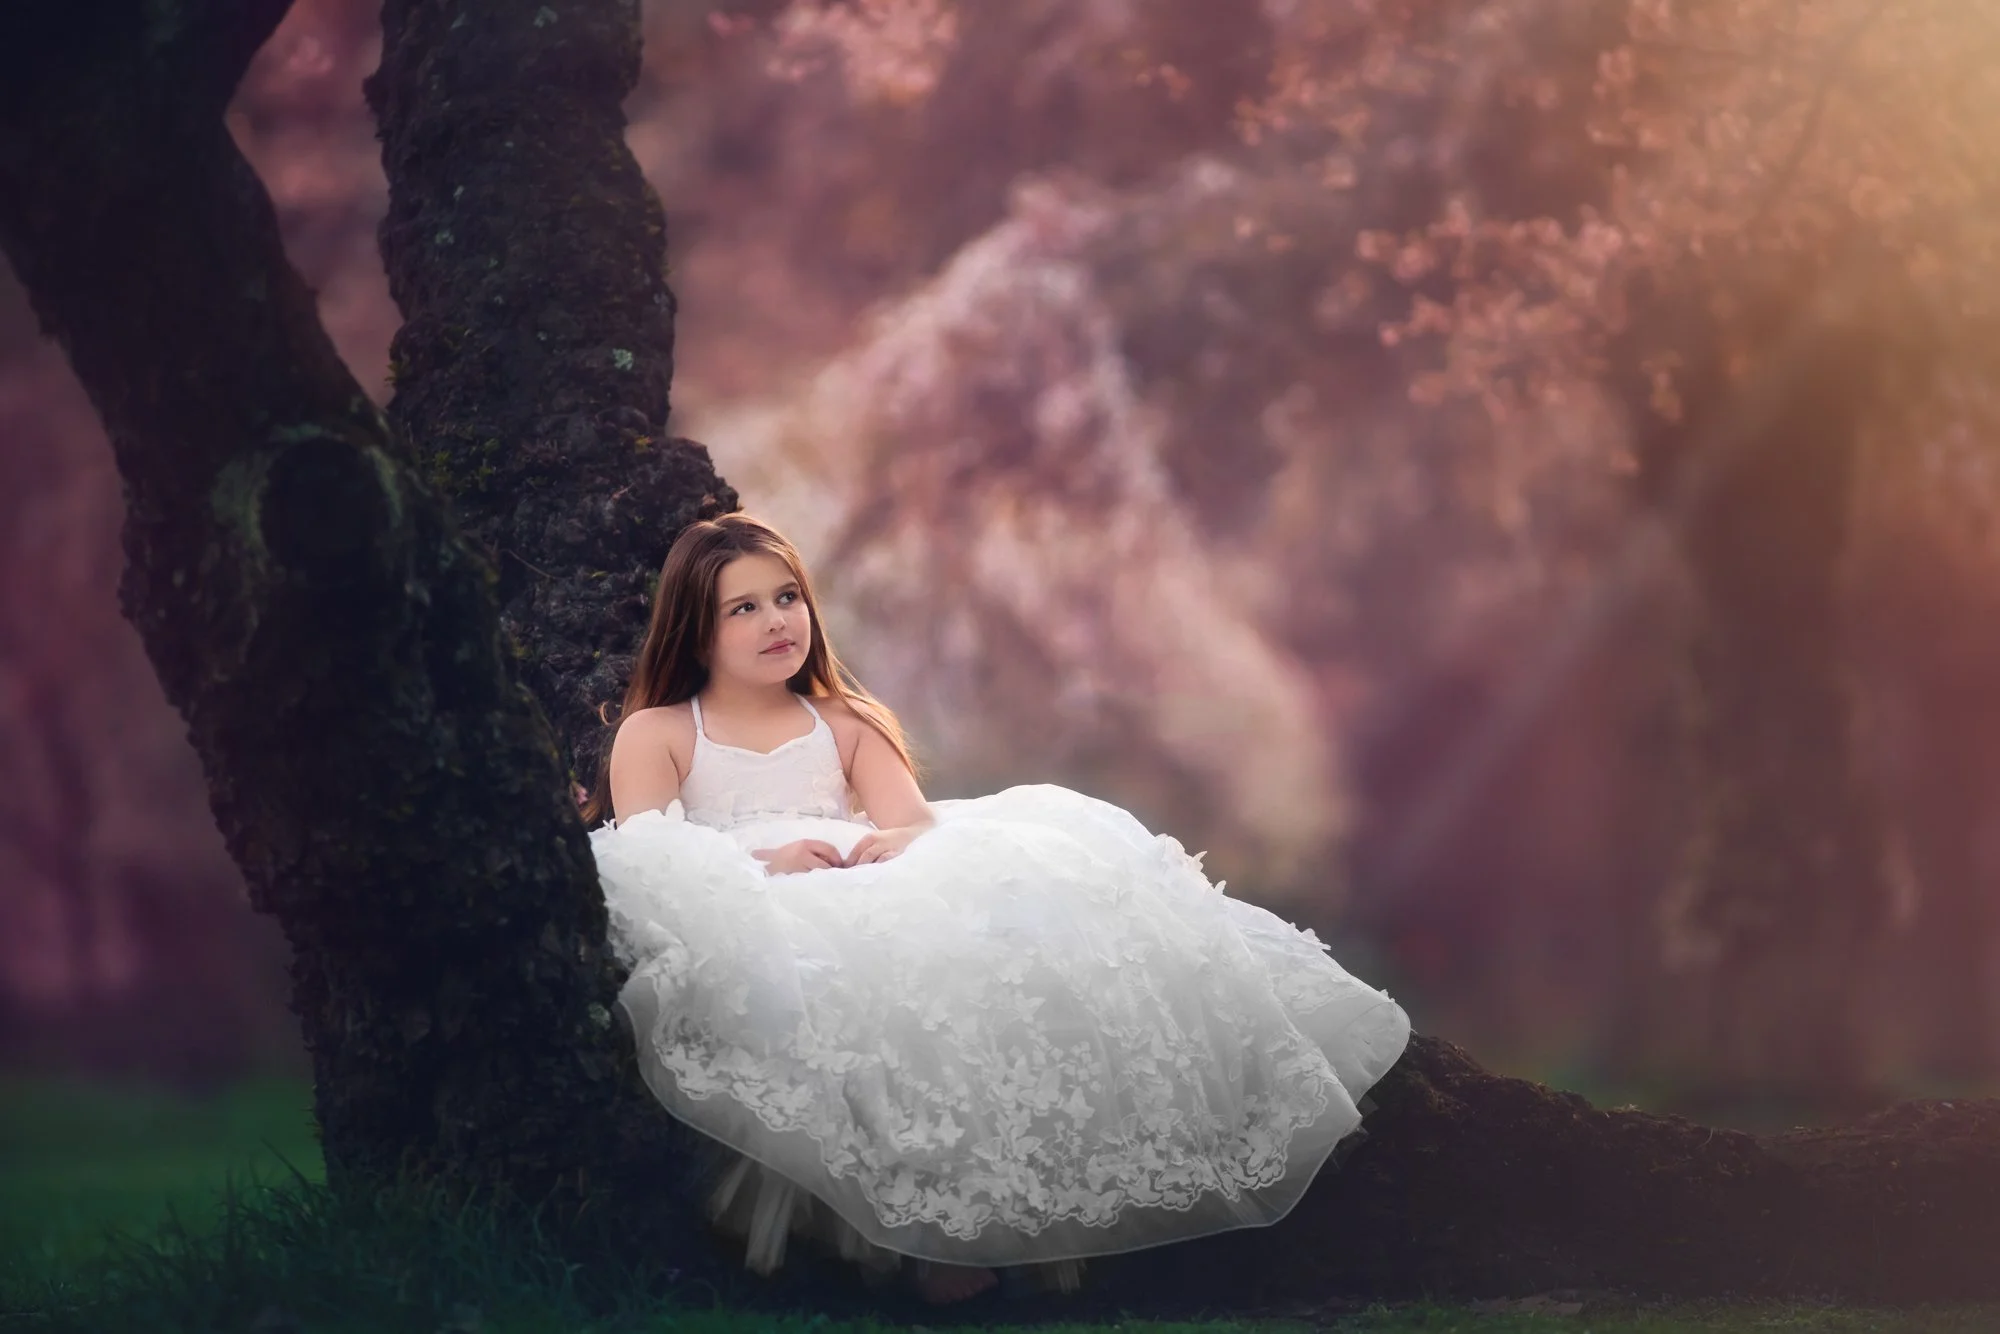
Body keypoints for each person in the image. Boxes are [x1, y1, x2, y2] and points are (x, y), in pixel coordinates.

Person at [583, 513, 1411, 1306]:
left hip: (856, 875)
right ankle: (913, 1234)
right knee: (839, 987)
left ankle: (981, 1215)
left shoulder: (842, 722)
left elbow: (911, 821)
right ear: (696, 631)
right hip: (749, 894)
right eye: (744, 608)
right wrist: (765, 862)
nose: (776, 620)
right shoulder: (661, 731)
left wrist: (891, 844)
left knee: (967, 946)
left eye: (787, 597)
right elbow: (654, 857)